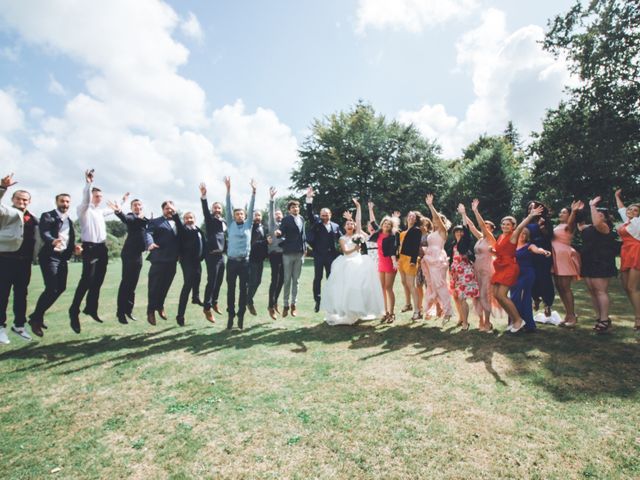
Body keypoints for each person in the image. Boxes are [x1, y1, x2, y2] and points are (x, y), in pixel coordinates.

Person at [472, 200, 544, 333]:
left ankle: (518, 320)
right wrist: (475, 211)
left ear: (512, 227)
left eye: (508, 224)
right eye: (503, 224)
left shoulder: (513, 236)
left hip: (509, 267)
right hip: (499, 266)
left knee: (502, 295)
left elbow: (520, 227)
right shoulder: (500, 237)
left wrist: (530, 216)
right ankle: (514, 319)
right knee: (497, 295)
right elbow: (483, 227)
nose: (505, 226)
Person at [321, 198, 384, 325]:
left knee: (361, 286)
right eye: (348, 224)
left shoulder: (358, 235)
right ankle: (347, 310)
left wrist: (358, 206)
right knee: (346, 287)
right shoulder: (342, 238)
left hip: (359, 262)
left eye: (352, 224)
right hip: (347, 262)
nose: (350, 225)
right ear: (345, 226)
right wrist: (355, 248)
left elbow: (359, 220)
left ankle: (359, 309)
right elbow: (345, 251)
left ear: (354, 226)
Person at [29, 193, 81, 337]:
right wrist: (52, 240)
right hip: (49, 256)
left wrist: (75, 248)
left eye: (67, 202)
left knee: (61, 288)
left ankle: (36, 316)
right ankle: (36, 319)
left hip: (62, 257)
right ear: (56, 202)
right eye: (62, 201)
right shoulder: (48, 216)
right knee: (52, 288)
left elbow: (69, 238)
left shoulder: (69, 220)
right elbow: (44, 231)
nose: (65, 204)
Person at [69, 169, 113, 332]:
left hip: (102, 249)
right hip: (90, 248)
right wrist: (89, 184)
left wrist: (122, 202)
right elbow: (86, 199)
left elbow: (111, 210)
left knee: (98, 280)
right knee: (86, 280)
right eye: (96, 196)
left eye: (100, 197)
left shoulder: (100, 212)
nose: (99, 199)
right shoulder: (83, 209)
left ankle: (91, 308)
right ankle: (74, 311)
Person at [0, 174, 38, 344]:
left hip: (25, 262)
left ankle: (19, 325)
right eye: (19, 199)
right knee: (2, 294)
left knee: (21, 294)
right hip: (6, 259)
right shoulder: (7, 212)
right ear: (13, 199)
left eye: (25, 200)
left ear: (29, 202)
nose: (22, 202)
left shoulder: (34, 218)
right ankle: (0, 327)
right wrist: (2, 188)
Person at [578, 197, 619, 333]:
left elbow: (596, 222)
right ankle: (599, 317)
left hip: (601, 261)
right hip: (588, 260)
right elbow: (579, 224)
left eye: (600, 215)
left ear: (606, 219)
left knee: (600, 291)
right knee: (592, 291)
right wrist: (577, 211)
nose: (596, 215)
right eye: (595, 213)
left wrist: (592, 205)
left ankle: (604, 320)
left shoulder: (604, 227)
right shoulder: (589, 228)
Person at [108, 193, 148, 324]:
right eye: (135, 205)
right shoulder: (131, 217)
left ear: (142, 207)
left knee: (133, 284)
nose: (137, 207)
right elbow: (125, 219)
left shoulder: (144, 218)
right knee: (126, 283)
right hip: (130, 254)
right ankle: (120, 313)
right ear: (132, 208)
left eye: (139, 205)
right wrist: (118, 211)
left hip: (138, 255)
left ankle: (128, 310)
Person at [224, 176, 256, 330]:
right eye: (237, 214)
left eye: (242, 214)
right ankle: (231, 316)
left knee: (243, 290)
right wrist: (228, 190)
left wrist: (253, 192)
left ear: (245, 216)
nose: (239, 216)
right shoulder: (229, 224)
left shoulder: (249, 225)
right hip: (231, 262)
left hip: (245, 262)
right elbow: (228, 207)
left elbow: (251, 208)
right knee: (231, 290)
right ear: (234, 216)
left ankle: (241, 316)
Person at [461, 201, 497, 332]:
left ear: (491, 229)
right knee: (476, 296)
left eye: (487, 226)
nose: (484, 227)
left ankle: (488, 323)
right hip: (476, 269)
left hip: (486, 270)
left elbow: (481, 224)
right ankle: (481, 321)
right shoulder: (480, 238)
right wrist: (464, 213)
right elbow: (471, 226)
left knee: (484, 295)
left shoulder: (491, 238)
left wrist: (476, 211)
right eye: (484, 226)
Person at [306, 187, 342, 312]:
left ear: (330, 215)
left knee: (331, 278)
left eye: (326, 215)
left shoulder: (336, 226)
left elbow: (342, 239)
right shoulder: (316, 223)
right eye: (322, 215)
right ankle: (317, 300)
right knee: (318, 278)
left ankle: (332, 300)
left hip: (332, 256)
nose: (324, 217)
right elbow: (310, 213)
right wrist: (309, 199)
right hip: (319, 255)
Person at [145, 200, 181, 326]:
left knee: (166, 286)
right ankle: (150, 311)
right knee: (154, 286)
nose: (169, 210)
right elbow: (148, 233)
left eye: (171, 208)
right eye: (167, 208)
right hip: (159, 259)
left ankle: (160, 306)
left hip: (172, 260)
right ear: (163, 210)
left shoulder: (178, 222)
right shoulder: (155, 221)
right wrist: (150, 243)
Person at [511, 227, 552, 332]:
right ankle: (515, 321)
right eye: (520, 233)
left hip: (527, 273)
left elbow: (537, 249)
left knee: (525, 297)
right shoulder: (512, 245)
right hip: (514, 274)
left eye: (524, 234)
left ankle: (529, 325)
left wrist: (543, 252)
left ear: (527, 236)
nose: (522, 235)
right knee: (514, 297)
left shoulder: (529, 246)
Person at [446, 205, 480, 330]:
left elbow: (466, 228)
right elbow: (452, 259)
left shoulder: (465, 242)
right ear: (454, 233)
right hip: (455, 274)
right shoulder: (453, 244)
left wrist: (463, 214)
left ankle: (466, 322)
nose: (459, 233)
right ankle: (462, 319)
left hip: (465, 273)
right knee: (458, 297)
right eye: (457, 231)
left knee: (463, 297)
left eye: (461, 231)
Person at [422, 195, 453, 323]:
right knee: (431, 285)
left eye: (438, 220)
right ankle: (432, 309)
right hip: (429, 259)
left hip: (438, 259)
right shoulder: (432, 233)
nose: (435, 221)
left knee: (440, 285)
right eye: (434, 220)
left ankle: (448, 311)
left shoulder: (443, 232)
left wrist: (430, 206)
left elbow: (437, 219)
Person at [199, 183, 227, 322]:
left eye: (219, 208)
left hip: (221, 256)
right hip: (211, 255)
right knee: (212, 281)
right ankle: (207, 307)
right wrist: (204, 196)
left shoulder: (224, 221)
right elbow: (205, 210)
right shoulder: (210, 220)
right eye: (215, 208)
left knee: (220, 281)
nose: (217, 209)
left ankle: (215, 302)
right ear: (212, 209)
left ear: (221, 210)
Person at [368, 204, 400, 323]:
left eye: (388, 224)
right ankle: (385, 312)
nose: (386, 226)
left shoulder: (392, 236)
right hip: (381, 263)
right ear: (382, 224)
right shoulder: (378, 233)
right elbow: (372, 222)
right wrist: (371, 209)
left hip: (390, 263)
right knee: (382, 288)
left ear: (391, 226)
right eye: (385, 224)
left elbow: (393, 250)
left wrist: (394, 262)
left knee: (388, 288)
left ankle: (392, 313)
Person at [552, 201, 582, 327]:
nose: (561, 214)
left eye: (564, 212)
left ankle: (573, 316)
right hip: (555, 257)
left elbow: (570, 222)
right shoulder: (558, 225)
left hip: (563, 257)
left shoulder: (569, 226)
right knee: (559, 287)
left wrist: (574, 211)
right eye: (561, 212)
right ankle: (567, 315)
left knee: (565, 287)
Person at [614, 189, 640, 330]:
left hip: (636, 252)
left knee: (632, 287)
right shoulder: (628, 221)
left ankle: (638, 319)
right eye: (630, 209)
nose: (630, 211)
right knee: (626, 287)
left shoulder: (638, 222)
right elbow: (622, 209)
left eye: (635, 210)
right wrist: (617, 196)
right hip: (625, 252)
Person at [176, 211, 206, 326]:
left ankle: (195, 297)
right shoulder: (184, 230)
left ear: (195, 218)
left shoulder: (198, 230)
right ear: (184, 220)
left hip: (197, 261)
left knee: (198, 278)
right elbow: (178, 224)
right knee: (187, 285)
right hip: (187, 261)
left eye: (191, 217)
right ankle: (180, 315)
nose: (189, 220)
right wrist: (175, 214)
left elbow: (204, 243)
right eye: (186, 218)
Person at [526, 201, 556, 316]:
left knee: (544, 278)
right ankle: (535, 298)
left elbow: (549, 236)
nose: (531, 210)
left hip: (543, 254)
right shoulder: (526, 220)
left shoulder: (545, 221)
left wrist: (541, 227)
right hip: (529, 254)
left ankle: (547, 303)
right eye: (529, 208)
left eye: (533, 208)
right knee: (532, 278)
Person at [280, 197, 307, 318]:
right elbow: (281, 230)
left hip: (299, 253)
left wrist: (305, 248)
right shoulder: (286, 219)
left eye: (297, 207)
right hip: (288, 254)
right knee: (287, 280)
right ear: (289, 210)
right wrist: (279, 233)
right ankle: (285, 305)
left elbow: (303, 235)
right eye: (293, 207)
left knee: (296, 281)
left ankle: (293, 305)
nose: (295, 209)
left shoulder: (301, 218)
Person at [397, 210, 423, 319]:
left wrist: (413, 260)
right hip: (401, 259)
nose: (411, 218)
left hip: (409, 259)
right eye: (409, 216)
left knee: (411, 285)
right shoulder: (403, 231)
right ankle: (408, 304)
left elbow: (416, 246)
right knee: (404, 283)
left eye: (413, 217)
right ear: (407, 218)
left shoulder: (416, 230)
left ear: (416, 220)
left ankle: (418, 311)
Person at [267, 187, 285, 319]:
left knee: (282, 280)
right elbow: (271, 212)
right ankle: (270, 305)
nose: (278, 215)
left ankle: (275, 301)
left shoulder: (285, 225)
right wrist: (272, 199)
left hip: (285, 255)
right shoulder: (272, 224)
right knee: (275, 280)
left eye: (280, 214)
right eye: (276, 214)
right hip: (274, 254)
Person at [247, 210, 269, 316]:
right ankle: (248, 301)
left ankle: (248, 299)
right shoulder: (250, 228)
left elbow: (266, 243)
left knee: (258, 282)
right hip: (251, 259)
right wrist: (265, 241)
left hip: (260, 260)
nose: (257, 217)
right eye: (255, 215)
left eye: (259, 215)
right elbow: (253, 244)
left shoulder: (264, 228)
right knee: (252, 282)